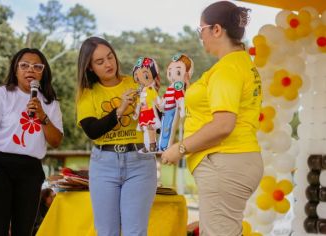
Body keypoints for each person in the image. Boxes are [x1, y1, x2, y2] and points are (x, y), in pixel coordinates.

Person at [161, 1, 264, 235]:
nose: (201, 36)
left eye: (201, 30)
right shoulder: (240, 64)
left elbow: (223, 125)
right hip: (235, 160)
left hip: (225, 161)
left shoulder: (226, 69)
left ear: (216, 30)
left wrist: (179, 149)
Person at [0, 48, 64, 236]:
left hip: (30, 169)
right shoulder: (0, 95)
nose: (30, 70)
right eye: (24, 65)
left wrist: (42, 116)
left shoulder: (50, 103)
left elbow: (55, 141)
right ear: (15, 69)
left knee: (24, 230)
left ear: (43, 71)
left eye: (37, 66)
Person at [76, 36, 157, 236]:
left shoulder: (137, 82)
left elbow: (156, 121)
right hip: (104, 164)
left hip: (140, 161)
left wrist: (155, 95)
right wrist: (119, 110)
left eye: (110, 57)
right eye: (100, 62)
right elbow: (92, 130)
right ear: (89, 67)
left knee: (135, 232)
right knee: (106, 232)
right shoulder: (87, 93)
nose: (108, 64)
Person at [132, 57, 161, 152]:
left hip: (150, 112)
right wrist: (136, 112)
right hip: (143, 113)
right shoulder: (140, 91)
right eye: (137, 76)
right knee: (144, 129)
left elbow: (156, 100)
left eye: (145, 75)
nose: (140, 79)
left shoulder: (151, 90)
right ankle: (146, 145)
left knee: (150, 128)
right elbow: (139, 103)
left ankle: (152, 145)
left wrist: (160, 107)